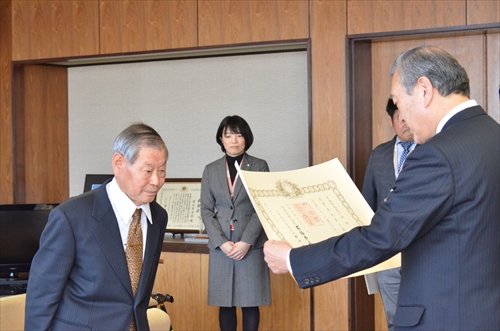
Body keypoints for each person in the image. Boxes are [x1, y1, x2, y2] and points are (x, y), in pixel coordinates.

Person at [263, 46, 500, 330]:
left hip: (444, 317)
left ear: (424, 90)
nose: (403, 119)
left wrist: (293, 259)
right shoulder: (491, 135)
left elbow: (381, 236)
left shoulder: (437, 154)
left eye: (399, 103)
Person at [25, 123, 169, 330]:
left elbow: (137, 297)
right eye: (147, 171)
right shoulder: (71, 216)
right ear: (119, 163)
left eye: (162, 170)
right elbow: (42, 295)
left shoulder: (158, 217)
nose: (156, 180)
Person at [201, 115, 271, 331]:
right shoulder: (211, 169)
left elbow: (263, 207)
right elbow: (205, 210)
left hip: (250, 245)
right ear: (221, 139)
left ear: (246, 138)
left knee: (250, 303)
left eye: (238, 135)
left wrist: (246, 242)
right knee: (225, 304)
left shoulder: (259, 166)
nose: (233, 140)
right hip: (222, 246)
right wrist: (221, 242)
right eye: (228, 135)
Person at [362, 98, 416, 331]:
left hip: (421, 249)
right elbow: (367, 202)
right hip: (388, 252)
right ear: (391, 121)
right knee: (394, 318)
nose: (405, 124)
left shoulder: (432, 151)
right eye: (400, 119)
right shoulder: (379, 154)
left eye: (409, 118)